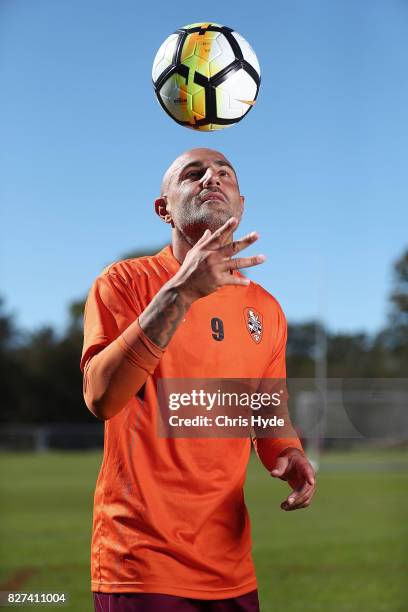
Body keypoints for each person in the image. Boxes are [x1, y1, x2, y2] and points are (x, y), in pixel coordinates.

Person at [81, 148, 316, 612]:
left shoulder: (266, 309)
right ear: (162, 207)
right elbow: (101, 397)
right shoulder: (124, 282)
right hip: (140, 565)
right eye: (193, 174)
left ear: (241, 204)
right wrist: (181, 293)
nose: (212, 178)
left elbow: (267, 414)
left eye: (225, 174)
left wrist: (288, 452)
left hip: (230, 565)